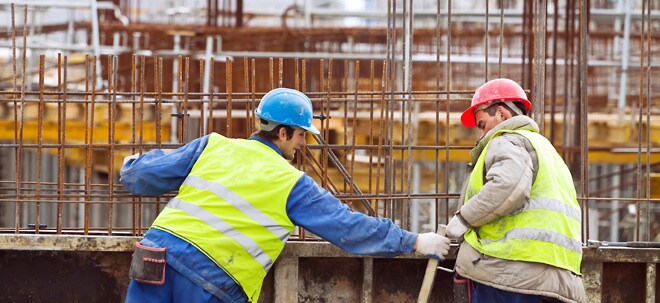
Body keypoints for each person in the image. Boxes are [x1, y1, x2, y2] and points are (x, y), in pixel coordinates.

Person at [120, 87, 451, 303]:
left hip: (156, 256)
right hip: (212, 277)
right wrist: (415, 241)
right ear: (282, 132)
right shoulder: (290, 182)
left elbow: (139, 176)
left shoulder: (214, 146)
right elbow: (347, 228)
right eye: (301, 135)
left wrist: (132, 162)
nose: (303, 144)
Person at [446, 78, 586, 303]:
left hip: (509, 273)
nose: (480, 135)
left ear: (502, 114)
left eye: (482, 124)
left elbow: (507, 187)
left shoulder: (507, 140)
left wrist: (463, 220)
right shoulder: (546, 149)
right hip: (557, 275)